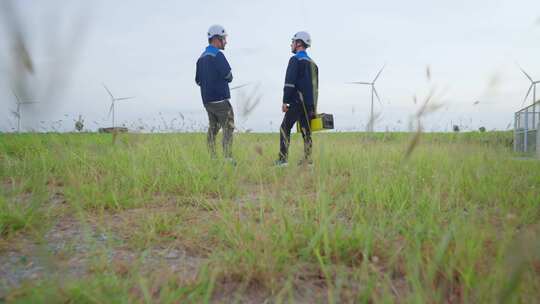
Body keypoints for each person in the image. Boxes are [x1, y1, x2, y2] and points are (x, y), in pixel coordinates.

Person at [275, 31, 319, 167]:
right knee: (306, 131)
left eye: (293, 42)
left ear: (299, 43)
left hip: (296, 102)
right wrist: (313, 107)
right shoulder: (314, 64)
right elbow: (315, 88)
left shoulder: (294, 60)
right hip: (310, 104)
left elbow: (289, 82)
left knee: (284, 128)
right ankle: (308, 160)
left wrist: (285, 101)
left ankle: (283, 160)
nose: (291, 44)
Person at [195, 24, 235, 163]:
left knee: (213, 128)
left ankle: (213, 158)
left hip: (207, 101)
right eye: (224, 39)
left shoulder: (200, 58)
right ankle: (227, 159)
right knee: (228, 128)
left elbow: (198, 81)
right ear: (217, 39)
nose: (226, 42)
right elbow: (229, 76)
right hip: (221, 101)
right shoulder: (218, 55)